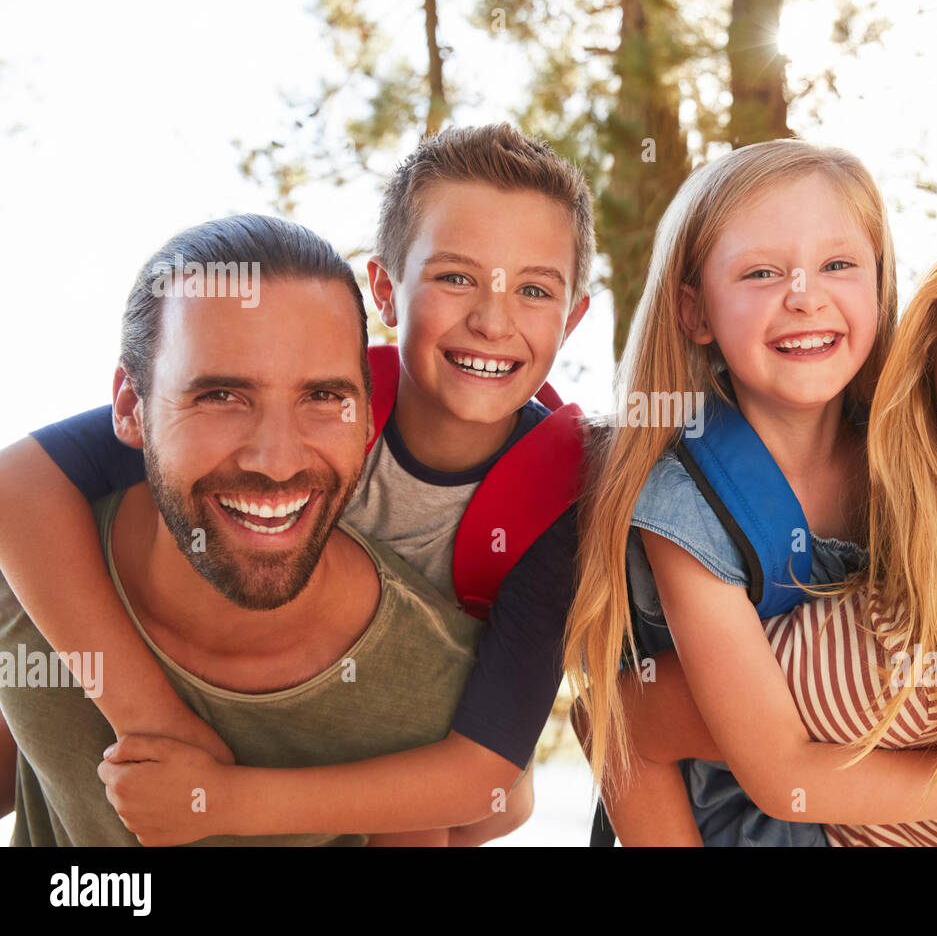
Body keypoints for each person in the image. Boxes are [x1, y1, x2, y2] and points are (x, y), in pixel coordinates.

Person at [563, 141, 937, 846]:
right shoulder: (684, 506)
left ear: (881, 286)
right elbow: (779, 770)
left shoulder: (916, 445)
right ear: (696, 313)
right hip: (729, 818)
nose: (804, 294)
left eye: (839, 265)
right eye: (762, 272)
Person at [0, 123, 594, 845]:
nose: (492, 320)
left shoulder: (560, 497)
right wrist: (154, 721)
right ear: (386, 289)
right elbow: (23, 480)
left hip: (414, 735)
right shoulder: (309, 380)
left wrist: (221, 801)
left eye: (534, 290)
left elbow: (486, 777)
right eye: (454, 276)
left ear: (574, 318)